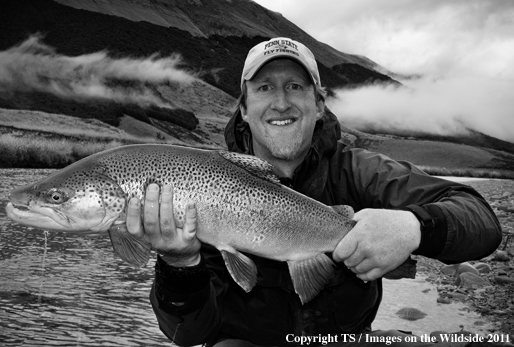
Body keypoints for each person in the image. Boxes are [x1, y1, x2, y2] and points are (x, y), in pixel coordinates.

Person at [125, 37, 502, 346]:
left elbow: (481, 220)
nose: (281, 102)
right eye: (265, 88)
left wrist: (414, 227)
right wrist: (179, 266)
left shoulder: (359, 171)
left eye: (295, 86)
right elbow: (189, 336)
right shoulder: (202, 187)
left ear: (318, 104)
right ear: (244, 108)